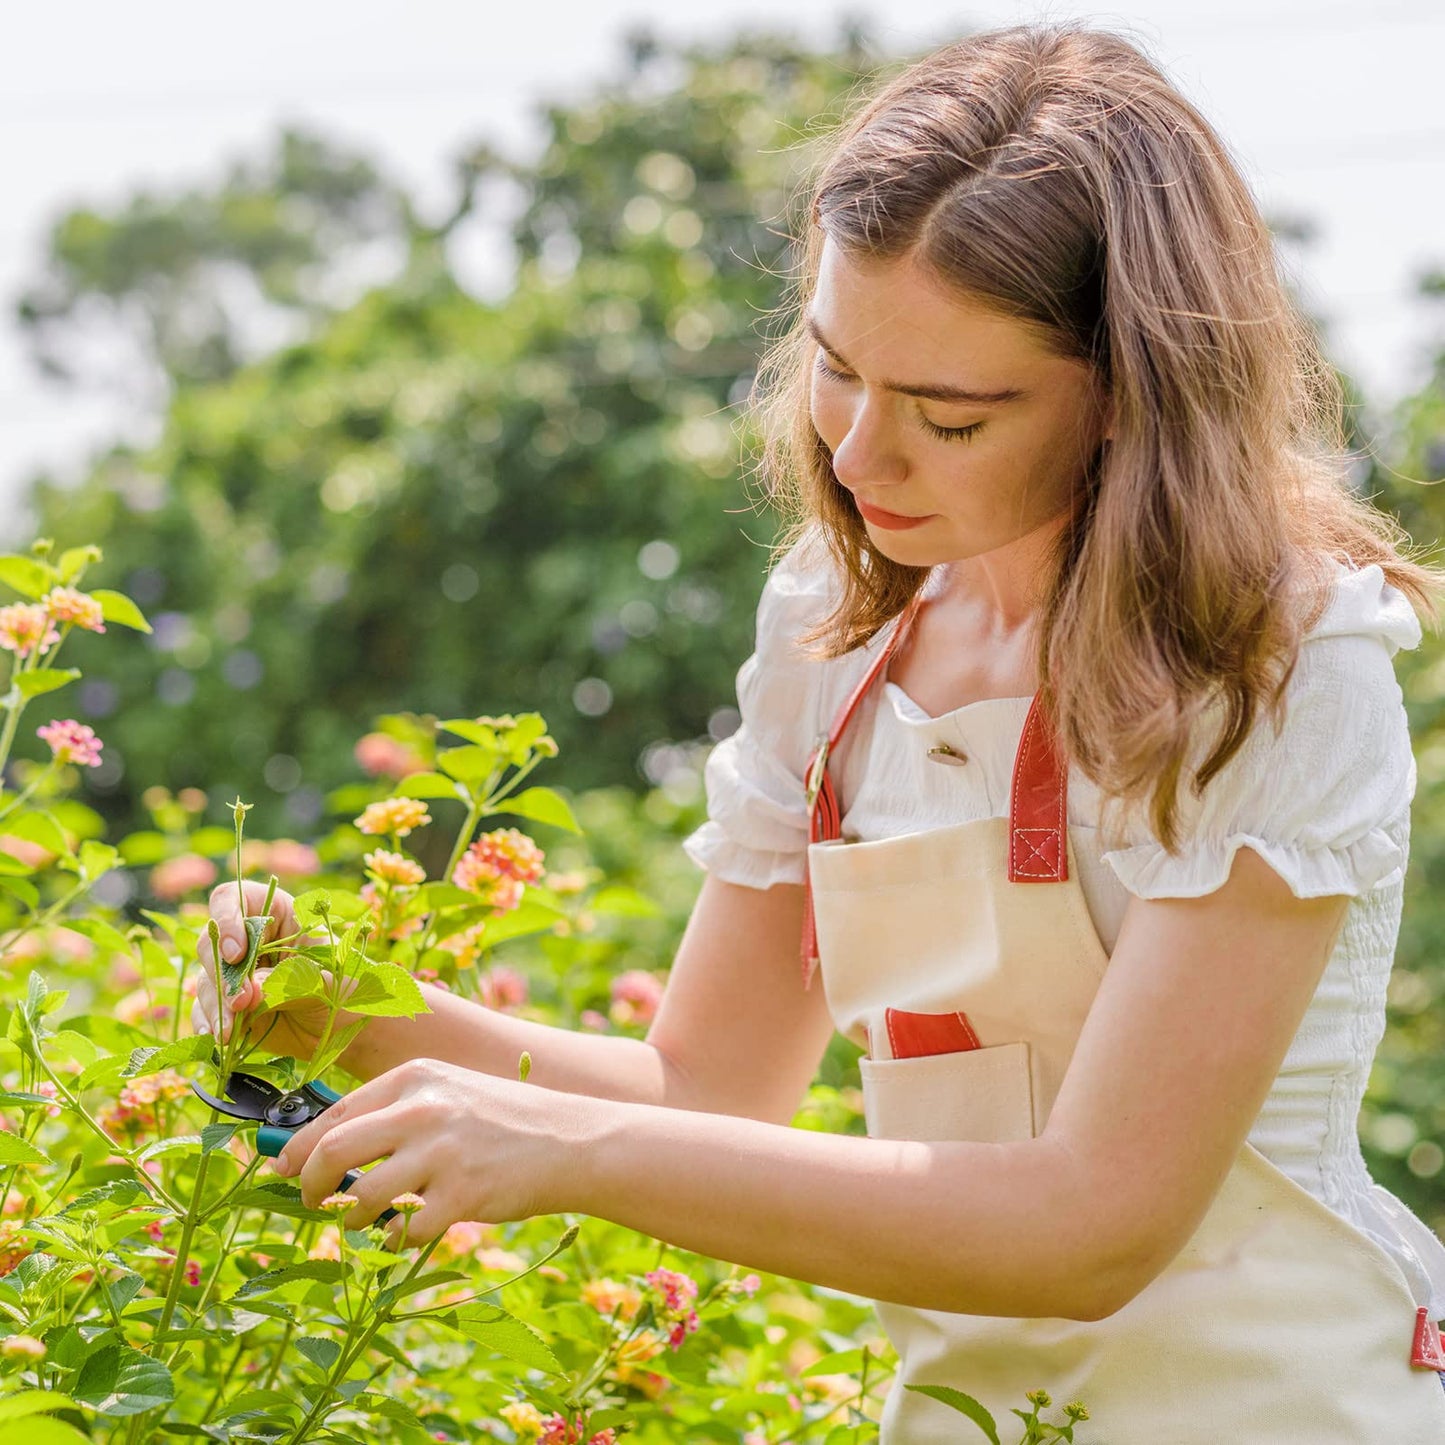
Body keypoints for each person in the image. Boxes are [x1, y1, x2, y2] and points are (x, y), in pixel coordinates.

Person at [193, 22, 1445, 1442]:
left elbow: (1093, 1221)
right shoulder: (836, 632)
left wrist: (568, 1148)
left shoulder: (1276, 667)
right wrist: (351, 1014)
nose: (855, 457)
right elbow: (709, 1086)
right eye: (838, 368)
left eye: (949, 416)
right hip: (969, 1416)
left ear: (1128, 398)